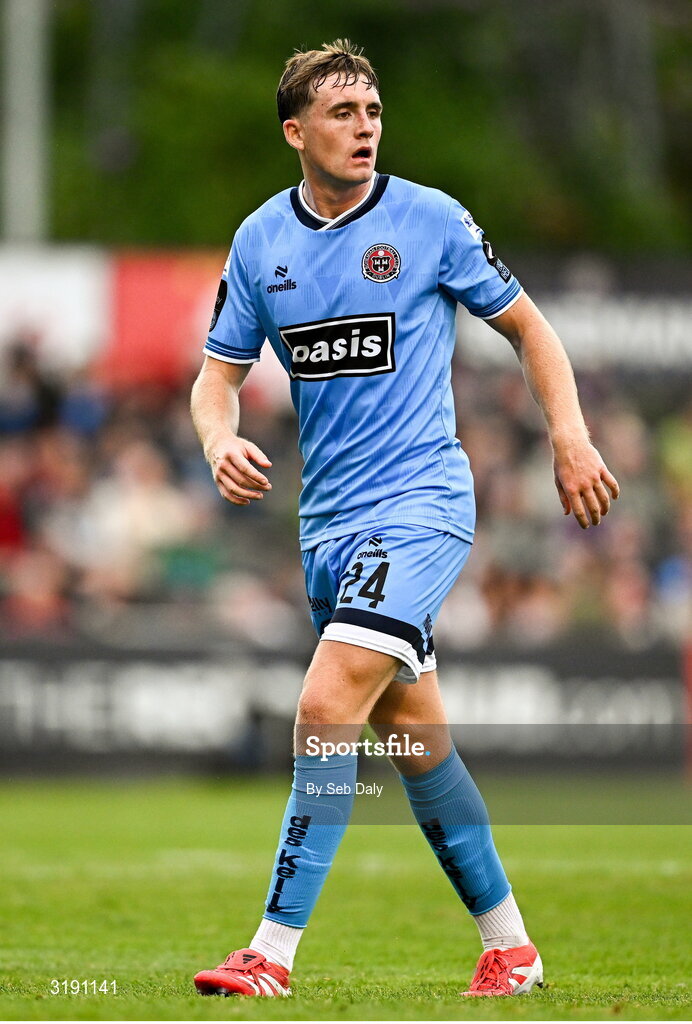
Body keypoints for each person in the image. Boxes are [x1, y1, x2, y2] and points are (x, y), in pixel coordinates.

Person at [190, 39, 619, 999]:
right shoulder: (262, 240)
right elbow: (214, 379)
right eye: (342, 114)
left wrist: (571, 437)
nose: (365, 128)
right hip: (327, 529)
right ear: (296, 131)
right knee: (418, 741)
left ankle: (271, 953)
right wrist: (218, 440)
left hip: (421, 506)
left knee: (323, 708)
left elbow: (529, 327)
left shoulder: (430, 220)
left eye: (373, 112)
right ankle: (512, 949)